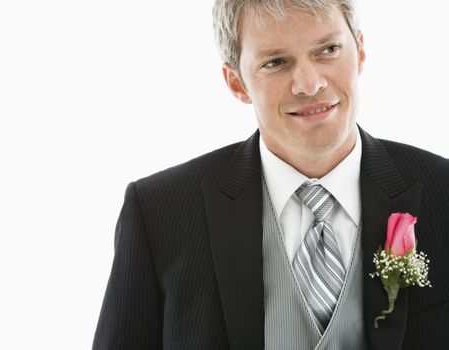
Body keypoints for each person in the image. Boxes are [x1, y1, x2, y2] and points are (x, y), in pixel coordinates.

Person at [93, 1, 449, 349]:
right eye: (276, 62)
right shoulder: (158, 212)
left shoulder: (443, 190)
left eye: (328, 49)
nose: (309, 84)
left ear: (360, 52)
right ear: (237, 83)